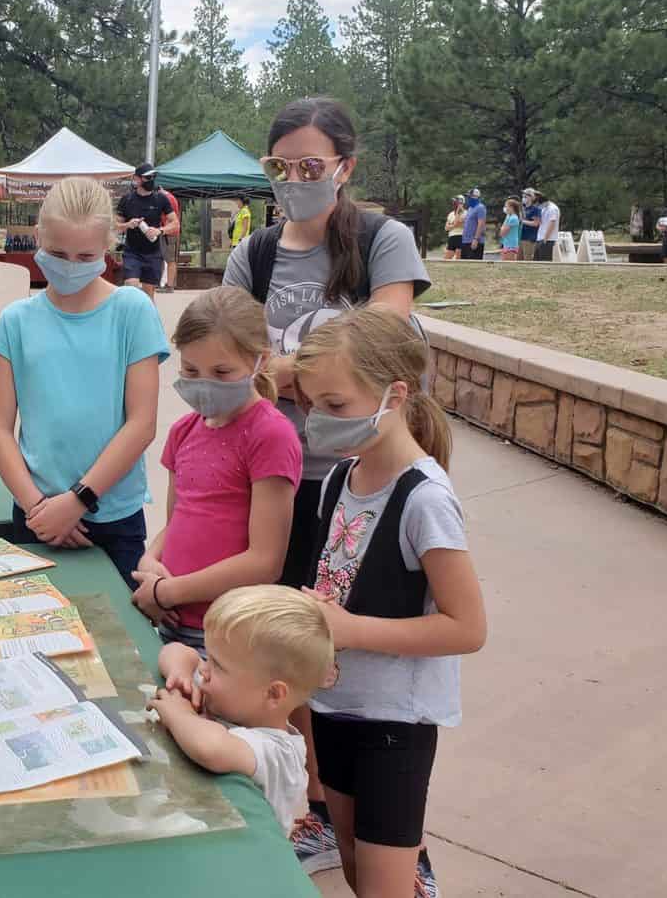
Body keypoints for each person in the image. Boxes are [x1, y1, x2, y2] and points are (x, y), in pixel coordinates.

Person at [222, 97, 430, 873]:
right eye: (280, 168)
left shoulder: (381, 238)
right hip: (280, 475)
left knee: (356, 661)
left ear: (345, 166)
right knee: (285, 647)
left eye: (311, 166)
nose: (295, 181)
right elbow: (234, 346)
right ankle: (308, 797)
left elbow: (384, 333)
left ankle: (393, 835)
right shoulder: (259, 252)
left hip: (359, 479)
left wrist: (294, 368)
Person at [292, 306, 487, 898]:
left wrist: (351, 631)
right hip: (336, 708)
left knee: (384, 883)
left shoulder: (425, 499)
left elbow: (467, 627)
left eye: (336, 406)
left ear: (395, 394)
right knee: (353, 863)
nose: (318, 421)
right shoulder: (338, 480)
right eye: (311, 405)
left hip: (394, 724)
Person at [0, 176, 169, 590]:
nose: (70, 265)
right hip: (36, 515)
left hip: (113, 517)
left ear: (107, 247)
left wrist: (78, 501)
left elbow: (141, 423)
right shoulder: (15, 321)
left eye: (85, 255)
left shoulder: (131, 310)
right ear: (38, 237)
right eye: (57, 253)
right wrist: (39, 509)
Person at [131, 287, 300, 652]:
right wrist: (150, 559)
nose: (204, 382)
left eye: (222, 372)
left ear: (260, 360)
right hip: (172, 621)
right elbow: (177, 521)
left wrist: (168, 590)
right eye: (190, 370)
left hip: (230, 634)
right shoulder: (183, 431)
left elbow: (265, 560)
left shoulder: (270, 434)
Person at [151, 586, 334, 831]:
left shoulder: (278, 751)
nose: (204, 670)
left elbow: (213, 748)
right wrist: (180, 673)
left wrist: (179, 713)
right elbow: (175, 651)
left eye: (217, 665)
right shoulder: (228, 694)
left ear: (272, 693)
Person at [117, 162, 178, 300]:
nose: (151, 180)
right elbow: (115, 225)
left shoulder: (160, 198)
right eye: (147, 177)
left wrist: (160, 230)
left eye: (153, 177)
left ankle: (147, 318)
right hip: (132, 252)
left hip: (153, 253)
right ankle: (130, 318)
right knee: (131, 288)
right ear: (136, 179)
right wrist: (128, 224)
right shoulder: (127, 200)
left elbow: (175, 223)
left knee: (148, 297)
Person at [159, 186, 182, 292]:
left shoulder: (167, 198)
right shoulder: (167, 197)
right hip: (166, 232)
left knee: (170, 259)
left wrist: (164, 230)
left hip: (169, 233)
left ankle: (170, 286)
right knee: (166, 259)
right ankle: (165, 284)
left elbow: (171, 218)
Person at [460, 188, 486, 259]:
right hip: (466, 241)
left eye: (469, 196)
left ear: (475, 197)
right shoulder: (470, 208)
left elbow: (481, 224)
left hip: (474, 241)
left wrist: (476, 239)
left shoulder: (480, 207)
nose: (467, 198)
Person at [535, 190, 561, 261]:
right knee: (537, 260)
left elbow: (552, 224)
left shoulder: (552, 209)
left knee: (545, 260)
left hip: (547, 239)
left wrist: (545, 239)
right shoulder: (544, 208)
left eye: (538, 204)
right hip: (540, 237)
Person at [520, 188, 542, 260]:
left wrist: (522, 221)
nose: (523, 198)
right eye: (523, 196)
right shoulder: (523, 208)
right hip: (521, 237)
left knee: (527, 259)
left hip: (529, 238)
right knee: (519, 260)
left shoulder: (535, 209)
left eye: (525, 196)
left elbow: (536, 223)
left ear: (531, 198)